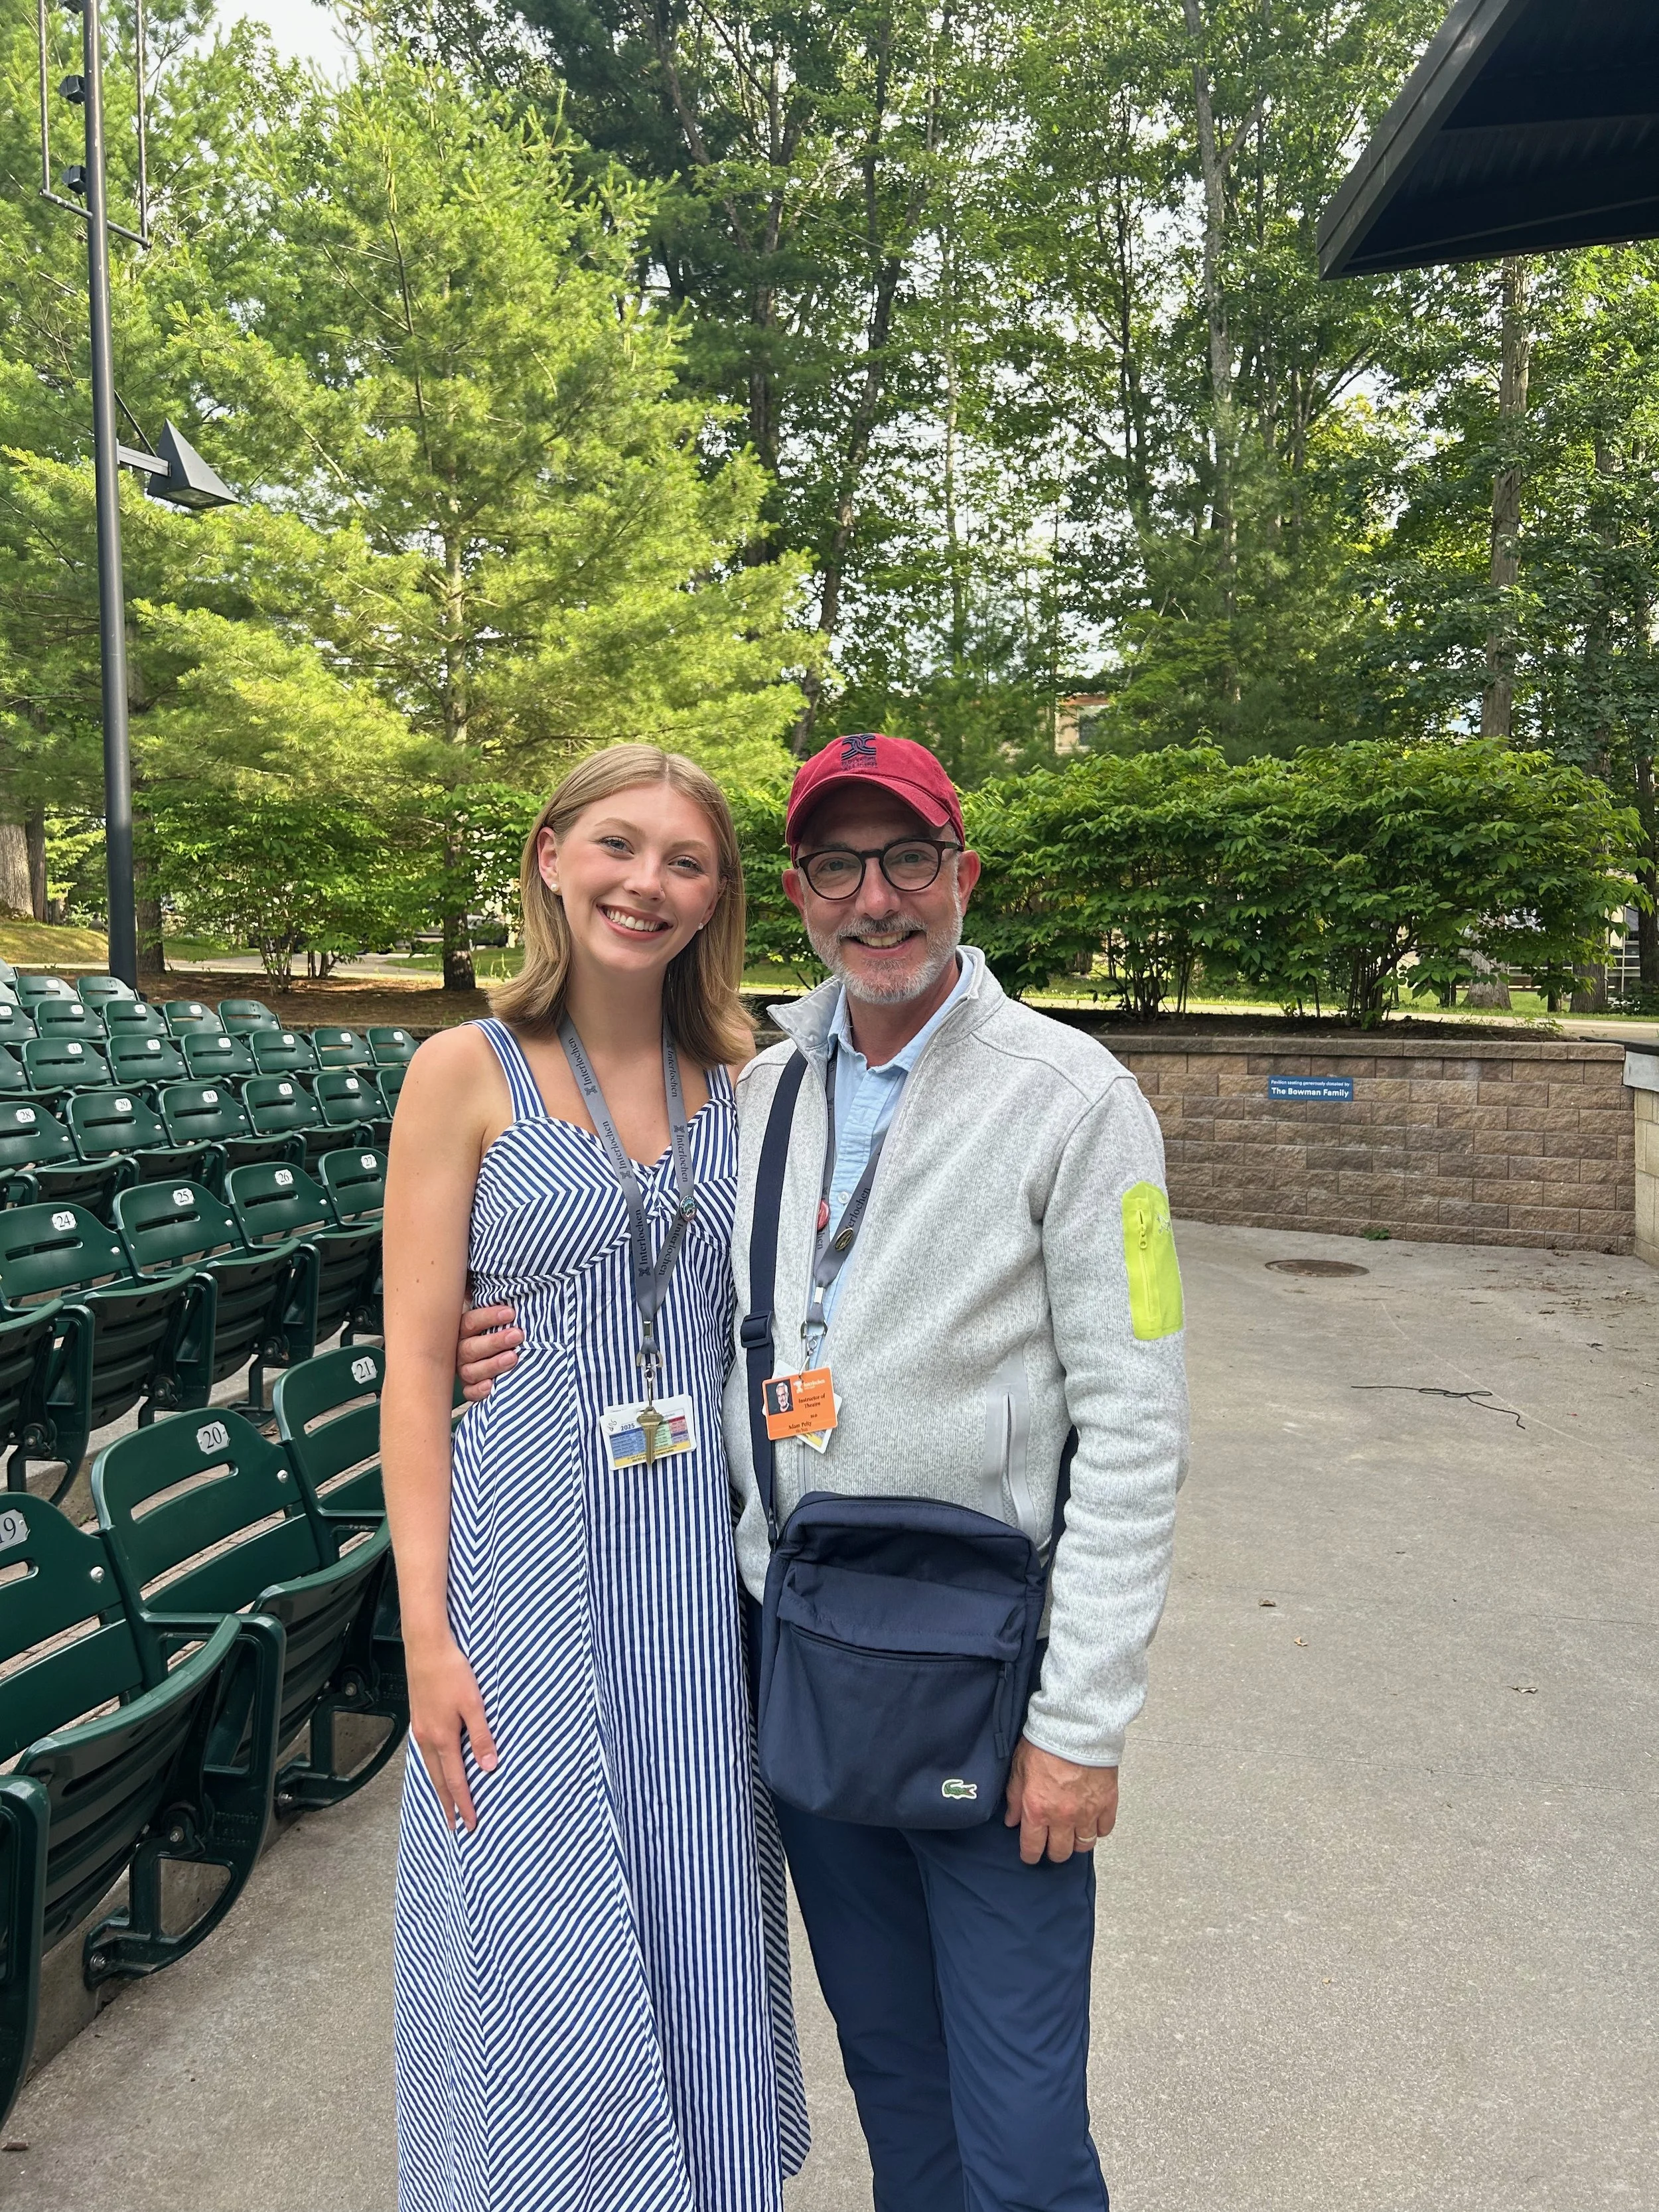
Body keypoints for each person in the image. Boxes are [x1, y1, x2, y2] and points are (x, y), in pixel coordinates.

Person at [461, 731, 1188, 2212]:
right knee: (895, 2076)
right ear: (794, 891)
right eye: (839, 865)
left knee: (1022, 2121)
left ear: (960, 873)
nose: (877, 899)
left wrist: (1083, 1722)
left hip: (989, 1675)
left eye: (908, 858)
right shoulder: (762, 1087)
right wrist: (502, 1335)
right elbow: (655, 1279)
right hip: (803, 1657)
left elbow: (1136, 1417)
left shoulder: (1076, 1097)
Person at [382, 743, 807, 2212]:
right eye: (619, 846)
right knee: (529, 1924)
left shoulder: (748, 1079)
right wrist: (426, 1634)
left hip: (692, 1567)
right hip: (521, 1566)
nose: (649, 883)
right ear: (552, 852)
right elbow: (415, 1372)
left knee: (692, 1893)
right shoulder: (461, 1071)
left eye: (687, 861)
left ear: (718, 898)